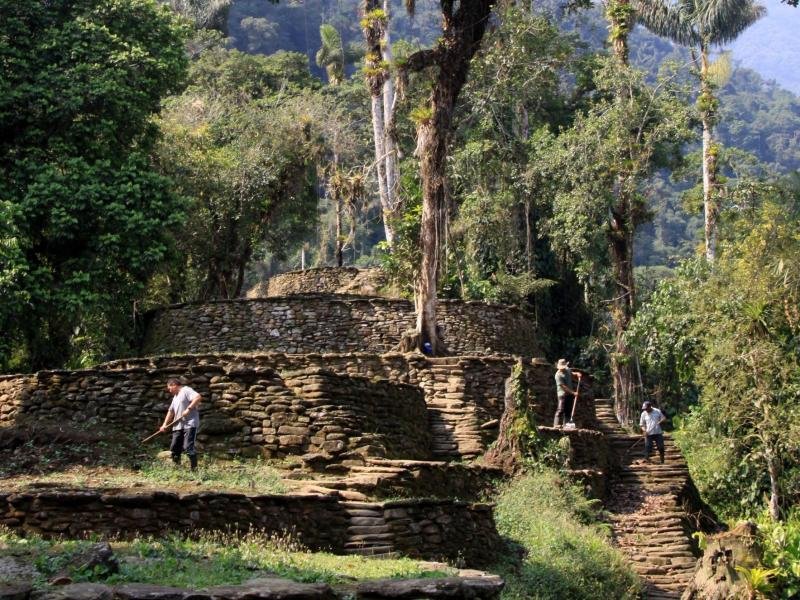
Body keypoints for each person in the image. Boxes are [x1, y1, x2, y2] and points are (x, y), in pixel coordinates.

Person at [160, 378, 201, 470]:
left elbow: (198, 397)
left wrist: (188, 409)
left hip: (190, 424)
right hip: (178, 426)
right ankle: (177, 469)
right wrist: (164, 424)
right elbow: (170, 411)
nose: (169, 391)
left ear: (174, 385)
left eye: (170, 388)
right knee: (174, 448)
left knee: (188, 447)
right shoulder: (175, 397)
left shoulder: (186, 390)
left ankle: (194, 470)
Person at [553, 359, 581, 428]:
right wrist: (573, 393)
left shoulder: (567, 369)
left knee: (568, 410)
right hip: (562, 394)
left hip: (569, 394)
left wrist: (577, 373)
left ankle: (566, 425)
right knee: (560, 409)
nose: (563, 369)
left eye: (563, 367)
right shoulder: (558, 375)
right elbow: (563, 387)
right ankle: (556, 424)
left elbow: (571, 373)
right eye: (561, 368)